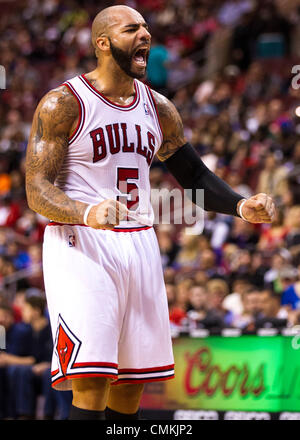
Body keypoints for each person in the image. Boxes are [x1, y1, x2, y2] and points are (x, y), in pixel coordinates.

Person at [25, 5, 275, 420]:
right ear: (103, 43)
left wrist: (239, 205)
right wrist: (87, 212)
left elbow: (193, 174)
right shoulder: (63, 103)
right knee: (90, 382)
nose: (145, 34)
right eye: (131, 29)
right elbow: (36, 187)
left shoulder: (159, 108)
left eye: (146, 27)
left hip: (139, 241)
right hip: (80, 242)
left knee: (131, 388)